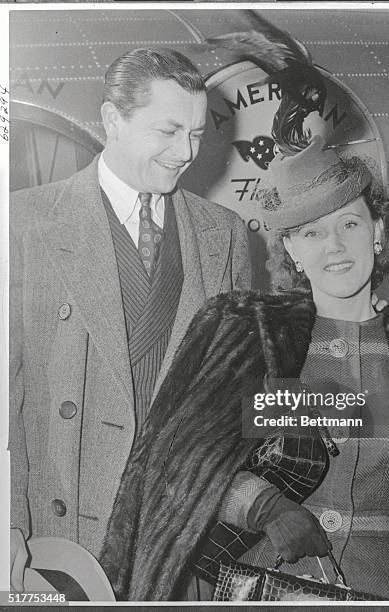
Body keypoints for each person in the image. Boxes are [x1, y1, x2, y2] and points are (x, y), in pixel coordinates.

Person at [100, 102, 389, 601]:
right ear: (293, 252)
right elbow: (174, 462)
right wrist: (262, 505)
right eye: (311, 233)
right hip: (267, 588)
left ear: (376, 230)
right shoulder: (244, 332)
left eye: (349, 224)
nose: (335, 247)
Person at [9, 47, 251, 590]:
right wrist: (6, 524)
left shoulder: (225, 233)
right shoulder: (23, 224)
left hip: (179, 543)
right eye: (167, 131)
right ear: (112, 120)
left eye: (195, 133)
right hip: (59, 543)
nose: (184, 152)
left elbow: (231, 403)